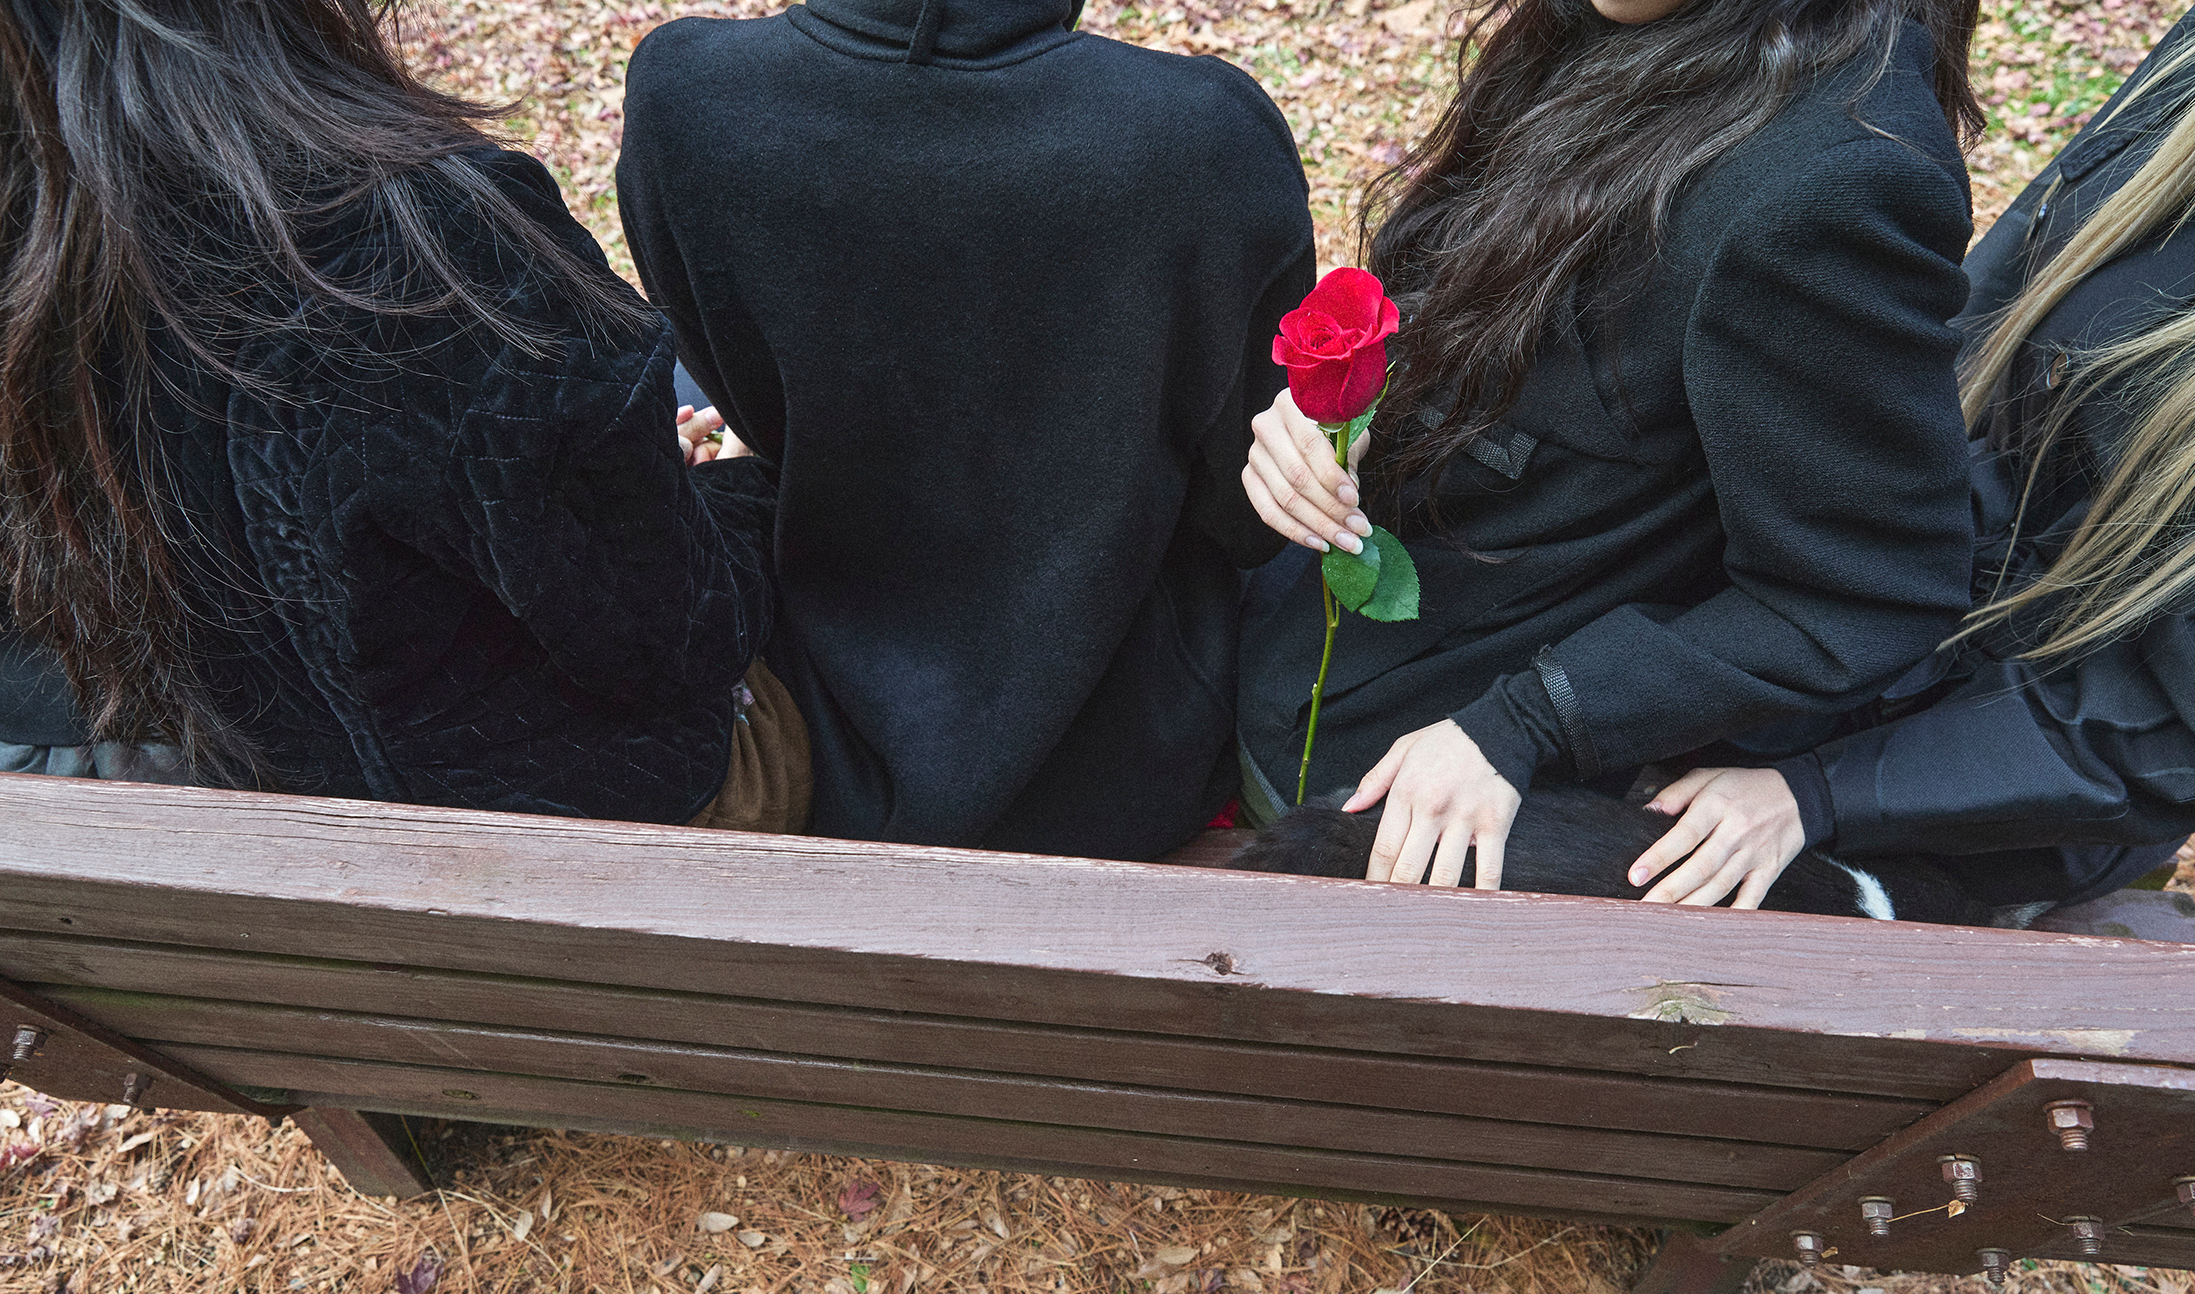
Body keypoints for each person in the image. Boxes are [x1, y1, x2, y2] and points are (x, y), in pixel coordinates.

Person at [1236, 0, 1984, 896]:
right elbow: (1509, 330)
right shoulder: (1634, 24)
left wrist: (1528, 721)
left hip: (1441, 783)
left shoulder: (1834, 182)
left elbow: (1864, 590)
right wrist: (1337, 414)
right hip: (1325, 656)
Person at [0, 0, 796, 831]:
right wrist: (731, 492)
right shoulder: (426, 255)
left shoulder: (46, 284)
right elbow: (684, 637)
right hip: (559, 838)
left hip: (250, 826)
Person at [616, 0, 1314, 861]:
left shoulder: (681, 92)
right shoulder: (1208, 139)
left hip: (830, 731)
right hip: (1128, 760)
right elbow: (1249, 513)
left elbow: (748, 399)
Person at [1630, 2, 2195, 930]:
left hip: (1994, 788)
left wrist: (1820, 793)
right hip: (1900, 603)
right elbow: (2038, 252)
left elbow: (2162, 733)